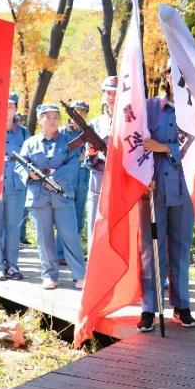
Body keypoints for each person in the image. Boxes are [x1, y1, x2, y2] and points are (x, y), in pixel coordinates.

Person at [138, 64, 195, 331]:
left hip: (185, 188)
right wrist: (143, 173)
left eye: (183, 74)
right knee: (151, 249)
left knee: (181, 247)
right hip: (153, 187)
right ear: (165, 77)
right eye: (172, 73)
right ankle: (150, 308)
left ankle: (182, 306)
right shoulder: (149, 107)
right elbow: (136, 142)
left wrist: (164, 147)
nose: (177, 78)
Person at [20, 103, 85, 290]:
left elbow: (73, 164)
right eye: (47, 117)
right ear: (40, 120)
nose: (52, 120)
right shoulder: (30, 143)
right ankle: (49, 275)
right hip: (39, 197)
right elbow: (20, 164)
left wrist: (54, 178)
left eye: (56, 117)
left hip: (62, 195)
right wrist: (28, 173)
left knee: (70, 235)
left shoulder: (68, 142)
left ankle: (79, 275)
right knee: (43, 238)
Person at [0, 92, 29, 280]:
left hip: (16, 184)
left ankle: (12, 265)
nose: (8, 108)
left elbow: (29, 158)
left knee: (14, 225)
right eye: (4, 104)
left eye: (11, 105)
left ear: (16, 109)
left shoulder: (23, 132)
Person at [58, 100, 91, 266]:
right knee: (64, 217)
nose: (80, 115)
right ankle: (59, 253)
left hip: (84, 177)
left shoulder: (89, 132)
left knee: (78, 217)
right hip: (67, 178)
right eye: (77, 112)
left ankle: (73, 253)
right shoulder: (62, 134)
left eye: (83, 112)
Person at [85, 77, 116, 242]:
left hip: (120, 180)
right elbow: (89, 162)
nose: (111, 97)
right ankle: (94, 267)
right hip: (99, 180)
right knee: (95, 228)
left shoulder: (129, 121)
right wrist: (92, 154)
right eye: (108, 93)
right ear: (103, 96)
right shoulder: (95, 123)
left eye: (115, 94)